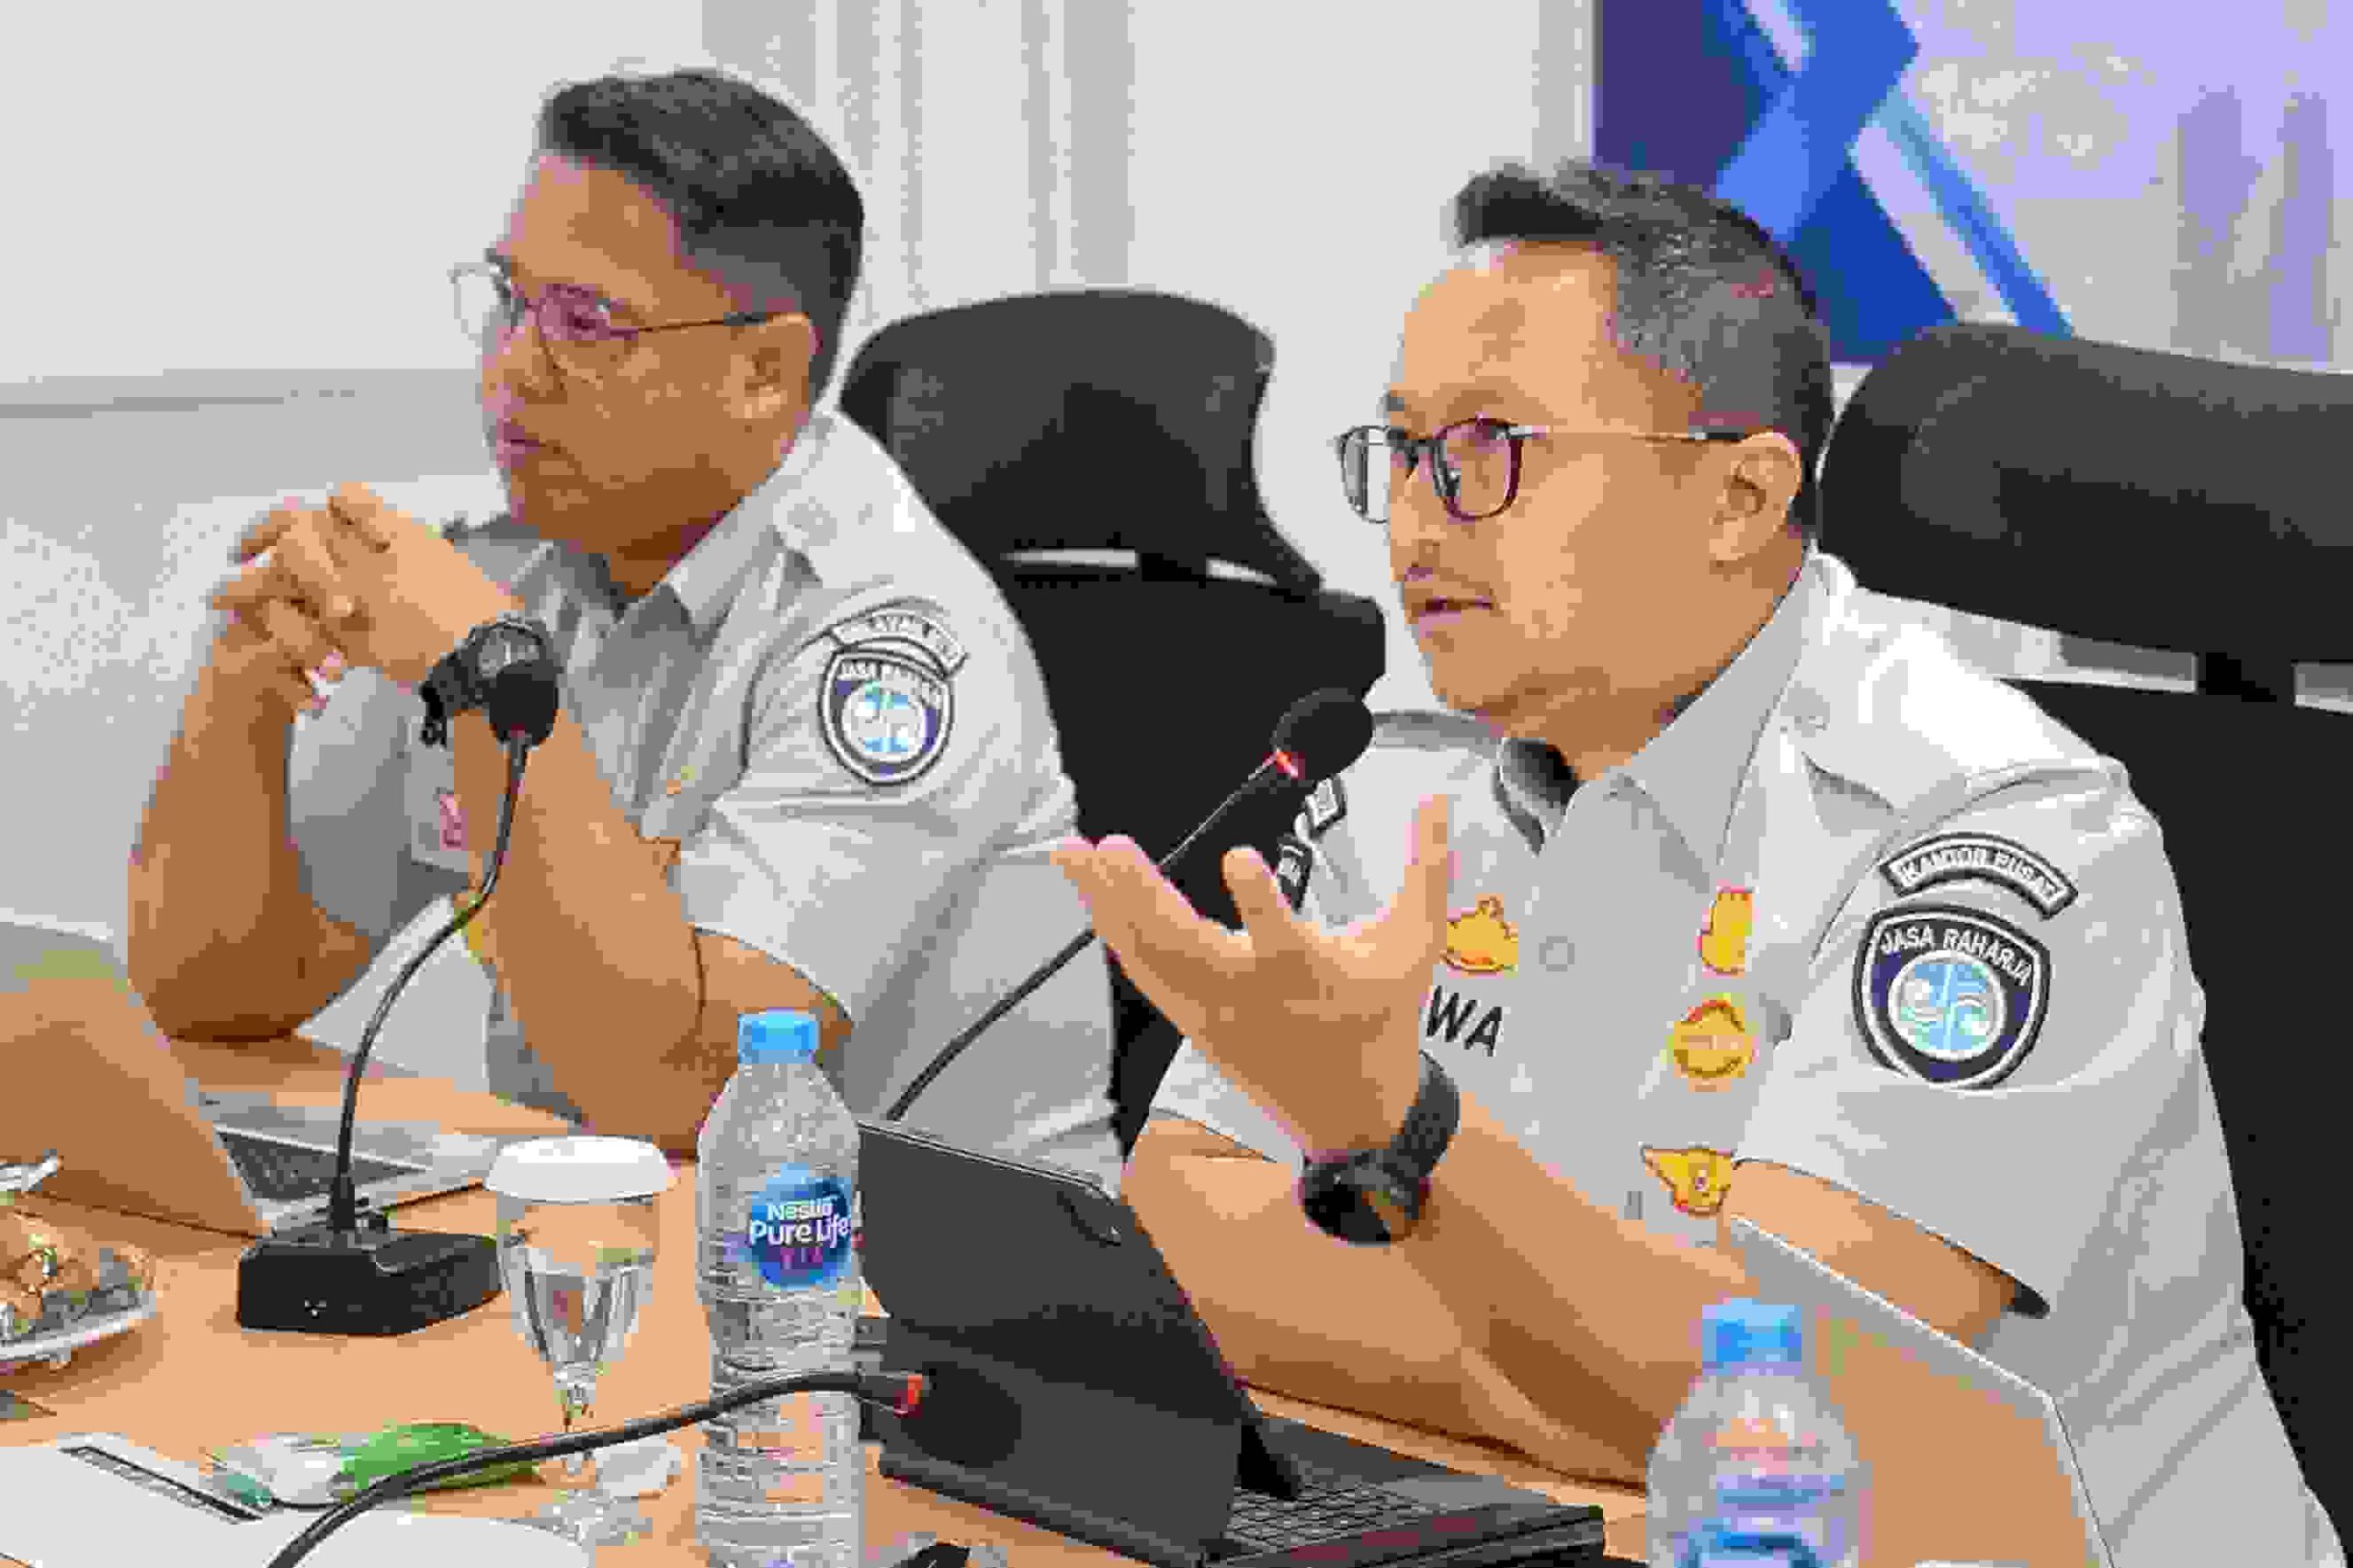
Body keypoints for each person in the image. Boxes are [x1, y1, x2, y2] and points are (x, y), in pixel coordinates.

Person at [1052, 159, 2339, 1561]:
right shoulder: (1407, 768)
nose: (1416, 518)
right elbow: (1187, 1234)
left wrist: (1399, 1141)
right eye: (1404, 450)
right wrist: (1567, 1368)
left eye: (1491, 449)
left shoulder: (1991, 835)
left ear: (1737, 496)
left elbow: (1791, 1410)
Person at [126, 65, 1122, 1188]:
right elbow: (212, 992)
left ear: (763, 370)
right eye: (509, 298)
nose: (513, 363)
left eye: (587, 322)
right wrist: (247, 678)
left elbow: (688, 1090)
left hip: (911, 1273)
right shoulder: (513, 568)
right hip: (615, 1236)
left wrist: (488, 673)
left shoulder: (891, 641)